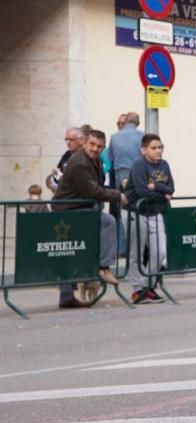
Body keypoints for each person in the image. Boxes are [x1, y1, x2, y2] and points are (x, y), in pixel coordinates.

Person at [52, 130, 124, 308]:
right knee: (107, 222)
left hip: (79, 208)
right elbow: (91, 191)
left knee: (71, 251)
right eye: (92, 144)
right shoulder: (79, 163)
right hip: (68, 210)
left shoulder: (95, 160)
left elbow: (97, 186)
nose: (95, 149)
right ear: (85, 143)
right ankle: (103, 267)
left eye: (99, 146)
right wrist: (118, 195)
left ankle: (67, 296)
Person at [124, 134, 174, 305]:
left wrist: (158, 186)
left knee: (160, 252)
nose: (158, 151)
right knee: (135, 253)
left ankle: (148, 286)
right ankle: (138, 289)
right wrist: (163, 194)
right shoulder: (138, 165)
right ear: (144, 150)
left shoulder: (164, 165)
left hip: (156, 213)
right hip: (137, 212)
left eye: (160, 147)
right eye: (154, 148)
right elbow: (141, 191)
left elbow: (171, 188)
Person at [45, 126, 85, 193]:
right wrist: (53, 175)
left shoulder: (86, 156)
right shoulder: (67, 155)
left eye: (71, 140)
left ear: (81, 140)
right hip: (64, 196)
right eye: (66, 140)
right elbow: (58, 174)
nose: (68, 142)